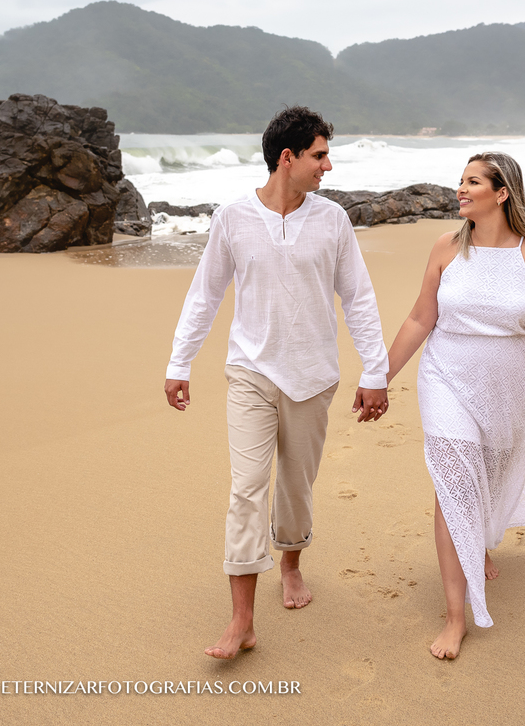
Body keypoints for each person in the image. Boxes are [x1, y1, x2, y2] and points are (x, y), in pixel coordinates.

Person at [164, 106, 390, 659]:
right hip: (251, 372)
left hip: (313, 377)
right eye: (319, 155)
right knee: (246, 490)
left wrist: (376, 371)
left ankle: (291, 562)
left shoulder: (332, 220)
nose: (327, 166)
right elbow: (206, 294)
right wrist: (179, 362)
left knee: (294, 486)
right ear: (287, 158)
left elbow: (357, 297)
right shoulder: (232, 219)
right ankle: (241, 619)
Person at [385, 152, 525, 660]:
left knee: (488, 477)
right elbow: (419, 317)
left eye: (472, 182)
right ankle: (457, 616)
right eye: (460, 181)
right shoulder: (446, 248)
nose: (460, 190)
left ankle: (483, 540)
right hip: (446, 377)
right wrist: (379, 377)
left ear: (501, 194)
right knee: (453, 483)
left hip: (509, 387)